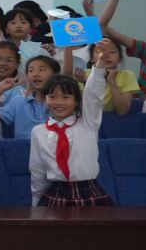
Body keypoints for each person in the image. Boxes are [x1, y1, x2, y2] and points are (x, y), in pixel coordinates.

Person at [30, 62, 111, 206]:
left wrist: (98, 67)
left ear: (77, 101)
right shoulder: (38, 131)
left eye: (66, 97)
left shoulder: (88, 124)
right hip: (56, 192)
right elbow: (37, 169)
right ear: (44, 99)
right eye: (52, 96)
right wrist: (36, 199)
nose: (58, 102)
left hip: (89, 191)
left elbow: (94, 97)